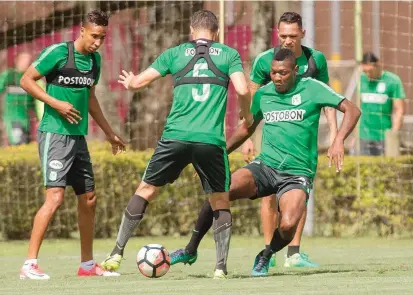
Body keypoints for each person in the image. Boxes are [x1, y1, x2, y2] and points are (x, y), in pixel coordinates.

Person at [171, 48, 361, 276]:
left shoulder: (312, 87)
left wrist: (338, 139)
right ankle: (190, 249)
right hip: (265, 166)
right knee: (220, 189)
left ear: (295, 71)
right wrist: (220, 153)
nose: (278, 77)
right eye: (273, 72)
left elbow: (352, 109)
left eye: (283, 72)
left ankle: (266, 254)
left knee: (289, 224)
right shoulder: (264, 94)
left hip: (297, 173)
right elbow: (246, 128)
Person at [100, 9, 252, 279]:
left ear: (192, 31)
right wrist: (246, 113)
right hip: (210, 140)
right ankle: (220, 268)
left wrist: (131, 83)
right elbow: (242, 89)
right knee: (219, 200)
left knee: (146, 190)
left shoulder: (176, 52)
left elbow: (140, 81)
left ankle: (116, 253)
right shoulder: (229, 54)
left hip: (176, 136)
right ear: (215, 33)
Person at [19, 10, 126, 280]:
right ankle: (29, 264)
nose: (97, 42)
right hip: (54, 135)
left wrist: (109, 132)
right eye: (94, 36)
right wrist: (55, 104)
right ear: (81, 31)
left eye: (102, 38)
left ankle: (87, 265)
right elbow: (26, 80)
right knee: (55, 198)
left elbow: (90, 99)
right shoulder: (58, 53)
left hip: (78, 138)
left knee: (89, 199)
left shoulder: (94, 62)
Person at [358, 52, 405, 156]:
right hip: (364, 136)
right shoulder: (361, 79)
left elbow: (399, 109)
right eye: (365, 71)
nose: (367, 74)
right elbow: (358, 108)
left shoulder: (393, 80)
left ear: (378, 65)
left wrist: (394, 134)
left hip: (384, 137)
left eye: (370, 71)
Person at [0, 52, 38, 145]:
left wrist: (37, 118)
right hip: (12, 117)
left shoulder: (30, 78)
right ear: (17, 60)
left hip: (25, 118)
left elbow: (34, 101)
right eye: (23, 60)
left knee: (25, 143)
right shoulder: (8, 75)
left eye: (28, 61)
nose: (26, 63)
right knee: (18, 142)